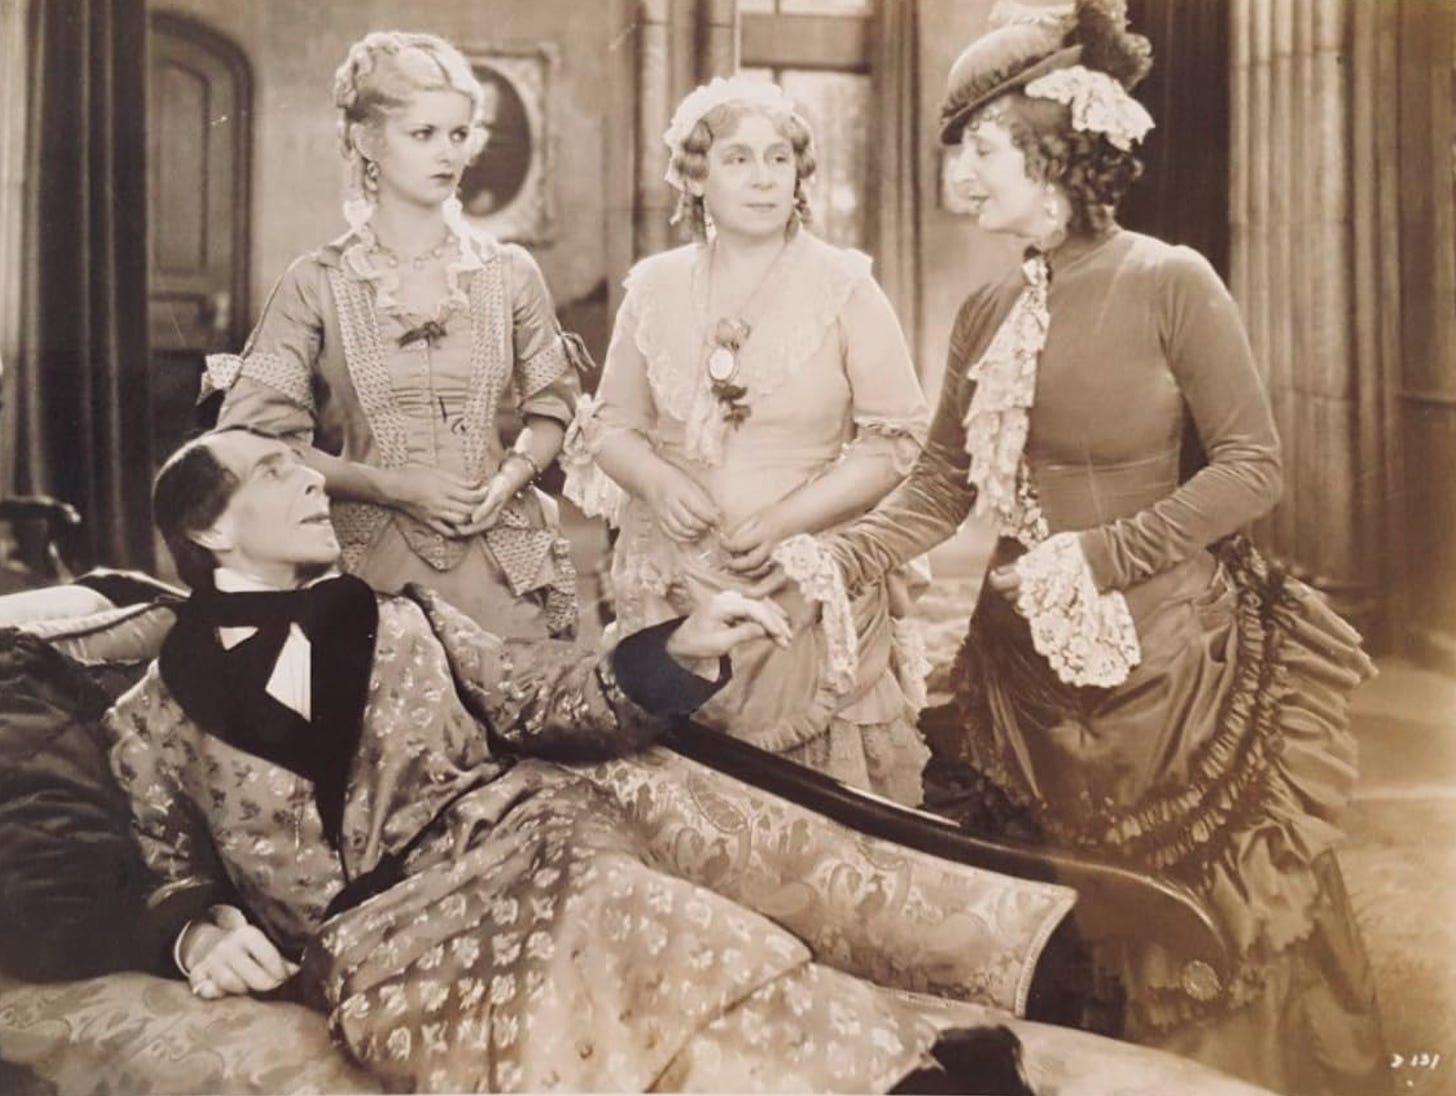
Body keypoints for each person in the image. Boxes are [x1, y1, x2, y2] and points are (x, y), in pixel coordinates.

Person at [101, 426, 1077, 1094]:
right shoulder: (151, 716)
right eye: (276, 471)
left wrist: (681, 648)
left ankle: (912, 1080)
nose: (314, 478)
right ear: (207, 526)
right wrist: (195, 930)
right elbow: (165, 860)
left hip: (523, 852)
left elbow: (543, 696)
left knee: (656, 920)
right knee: (587, 993)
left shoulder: (404, 619)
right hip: (380, 953)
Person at [795, 3, 1388, 1093]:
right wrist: (840, 557)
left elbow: (1253, 467)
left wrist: (1099, 557)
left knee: (1198, 943)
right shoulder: (982, 310)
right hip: (1020, 688)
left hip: (1170, 671)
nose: (959, 177)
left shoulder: (1170, 280)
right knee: (1053, 930)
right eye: (956, 152)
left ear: (1054, 148)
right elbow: (940, 484)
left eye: (978, 150)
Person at [563, 76, 933, 805]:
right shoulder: (654, 287)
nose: (762, 178)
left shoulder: (845, 286)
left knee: (817, 809)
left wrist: (785, 523)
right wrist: (657, 482)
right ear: (695, 175)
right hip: (675, 577)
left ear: (799, 174)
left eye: (778, 159)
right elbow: (608, 426)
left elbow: (896, 439)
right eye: (737, 159)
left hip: (800, 576)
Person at [208, 31, 583, 638]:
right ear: (366, 140)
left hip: (501, 558)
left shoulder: (510, 272)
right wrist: (392, 486)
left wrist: (508, 479)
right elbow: (253, 438)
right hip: (370, 567)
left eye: (459, 134)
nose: (449, 156)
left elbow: (553, 410)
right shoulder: (316, 281)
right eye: (424, 134)